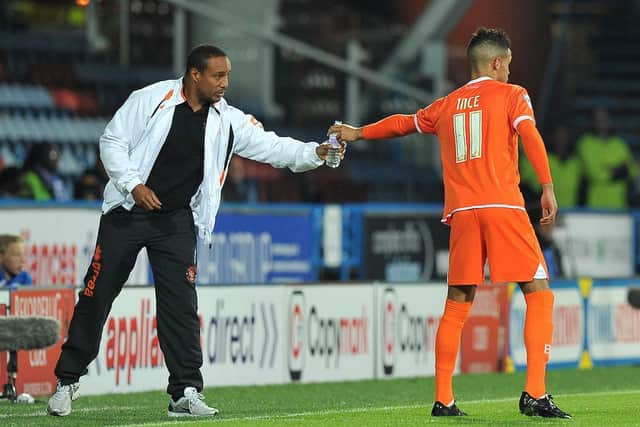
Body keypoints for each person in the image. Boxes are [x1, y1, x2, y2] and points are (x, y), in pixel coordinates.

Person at [46, 45, 341, 418]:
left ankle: (184, 392)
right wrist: (133, 185)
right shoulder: (151, 99)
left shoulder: (227, 119)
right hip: (128, 213)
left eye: (228, 76)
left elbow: (272, 147)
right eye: (218, 76)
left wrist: (316, 152)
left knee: (181, 307)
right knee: (97, 294)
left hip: (176, 222)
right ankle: (67, 381)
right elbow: (112, 141)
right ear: (195, 75)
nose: (225, 84)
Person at [329, 28, 571, 418]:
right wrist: (546, 186)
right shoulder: (513, 95)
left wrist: (358, 133)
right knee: (539, 293)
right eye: (507, 64)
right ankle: (536, 394)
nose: (510, 71)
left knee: (457, 304)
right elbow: (530, 135)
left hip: (462, 212)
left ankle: (444, 399)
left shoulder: (447, 104)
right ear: (496, 63)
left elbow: (403, 123)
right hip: (503, 206)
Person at [576, 108, 637, 209]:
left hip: (619, 205)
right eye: (598, 119)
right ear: (592, 121)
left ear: (609, 120)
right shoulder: (586, 143)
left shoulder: (619, 143)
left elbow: (632, 170)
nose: (601, 122)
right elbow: (596, 174)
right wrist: (620, 170)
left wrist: (610, 169)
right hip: (595, 205)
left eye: (604, 118)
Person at [520, 123, 582, 208]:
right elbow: (529, 183)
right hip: (548, 212)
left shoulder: (576, 163)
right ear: (553, 137)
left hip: (573, 213)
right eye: (558, 135)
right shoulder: (544, 160)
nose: (561, 139)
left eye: (564, 135)